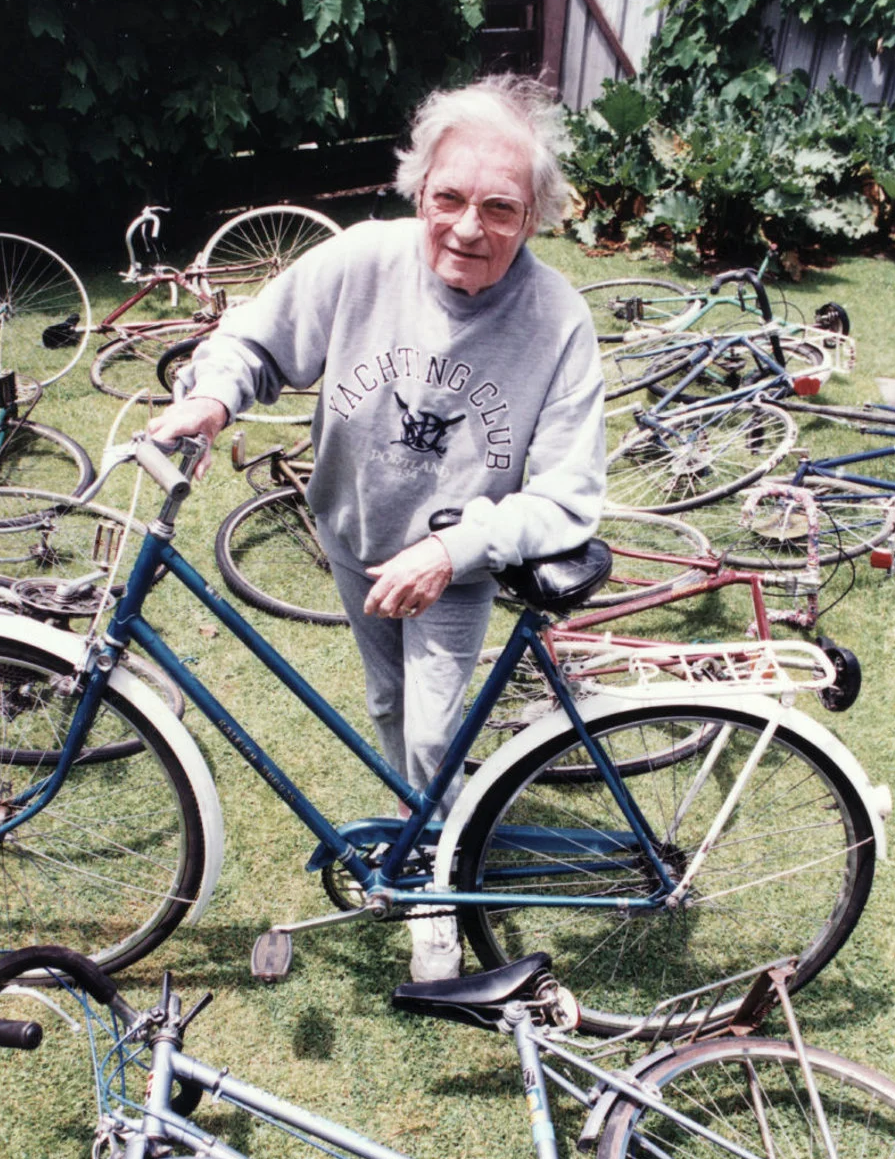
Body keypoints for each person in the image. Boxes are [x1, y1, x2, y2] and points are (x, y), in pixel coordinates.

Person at [149, 72, 606, 981]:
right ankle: (430, 822)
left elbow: (569, 493)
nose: (468, 228)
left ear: (536, 215)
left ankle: (437, 891)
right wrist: (210, 397)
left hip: (457, 562)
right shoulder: (360, 262)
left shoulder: (557, 320)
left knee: (434, 729)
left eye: (500, 208)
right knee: (390, 705)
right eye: (449, 198)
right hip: (353, 535)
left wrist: (453, 550)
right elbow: (256, 339)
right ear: (419, 190)